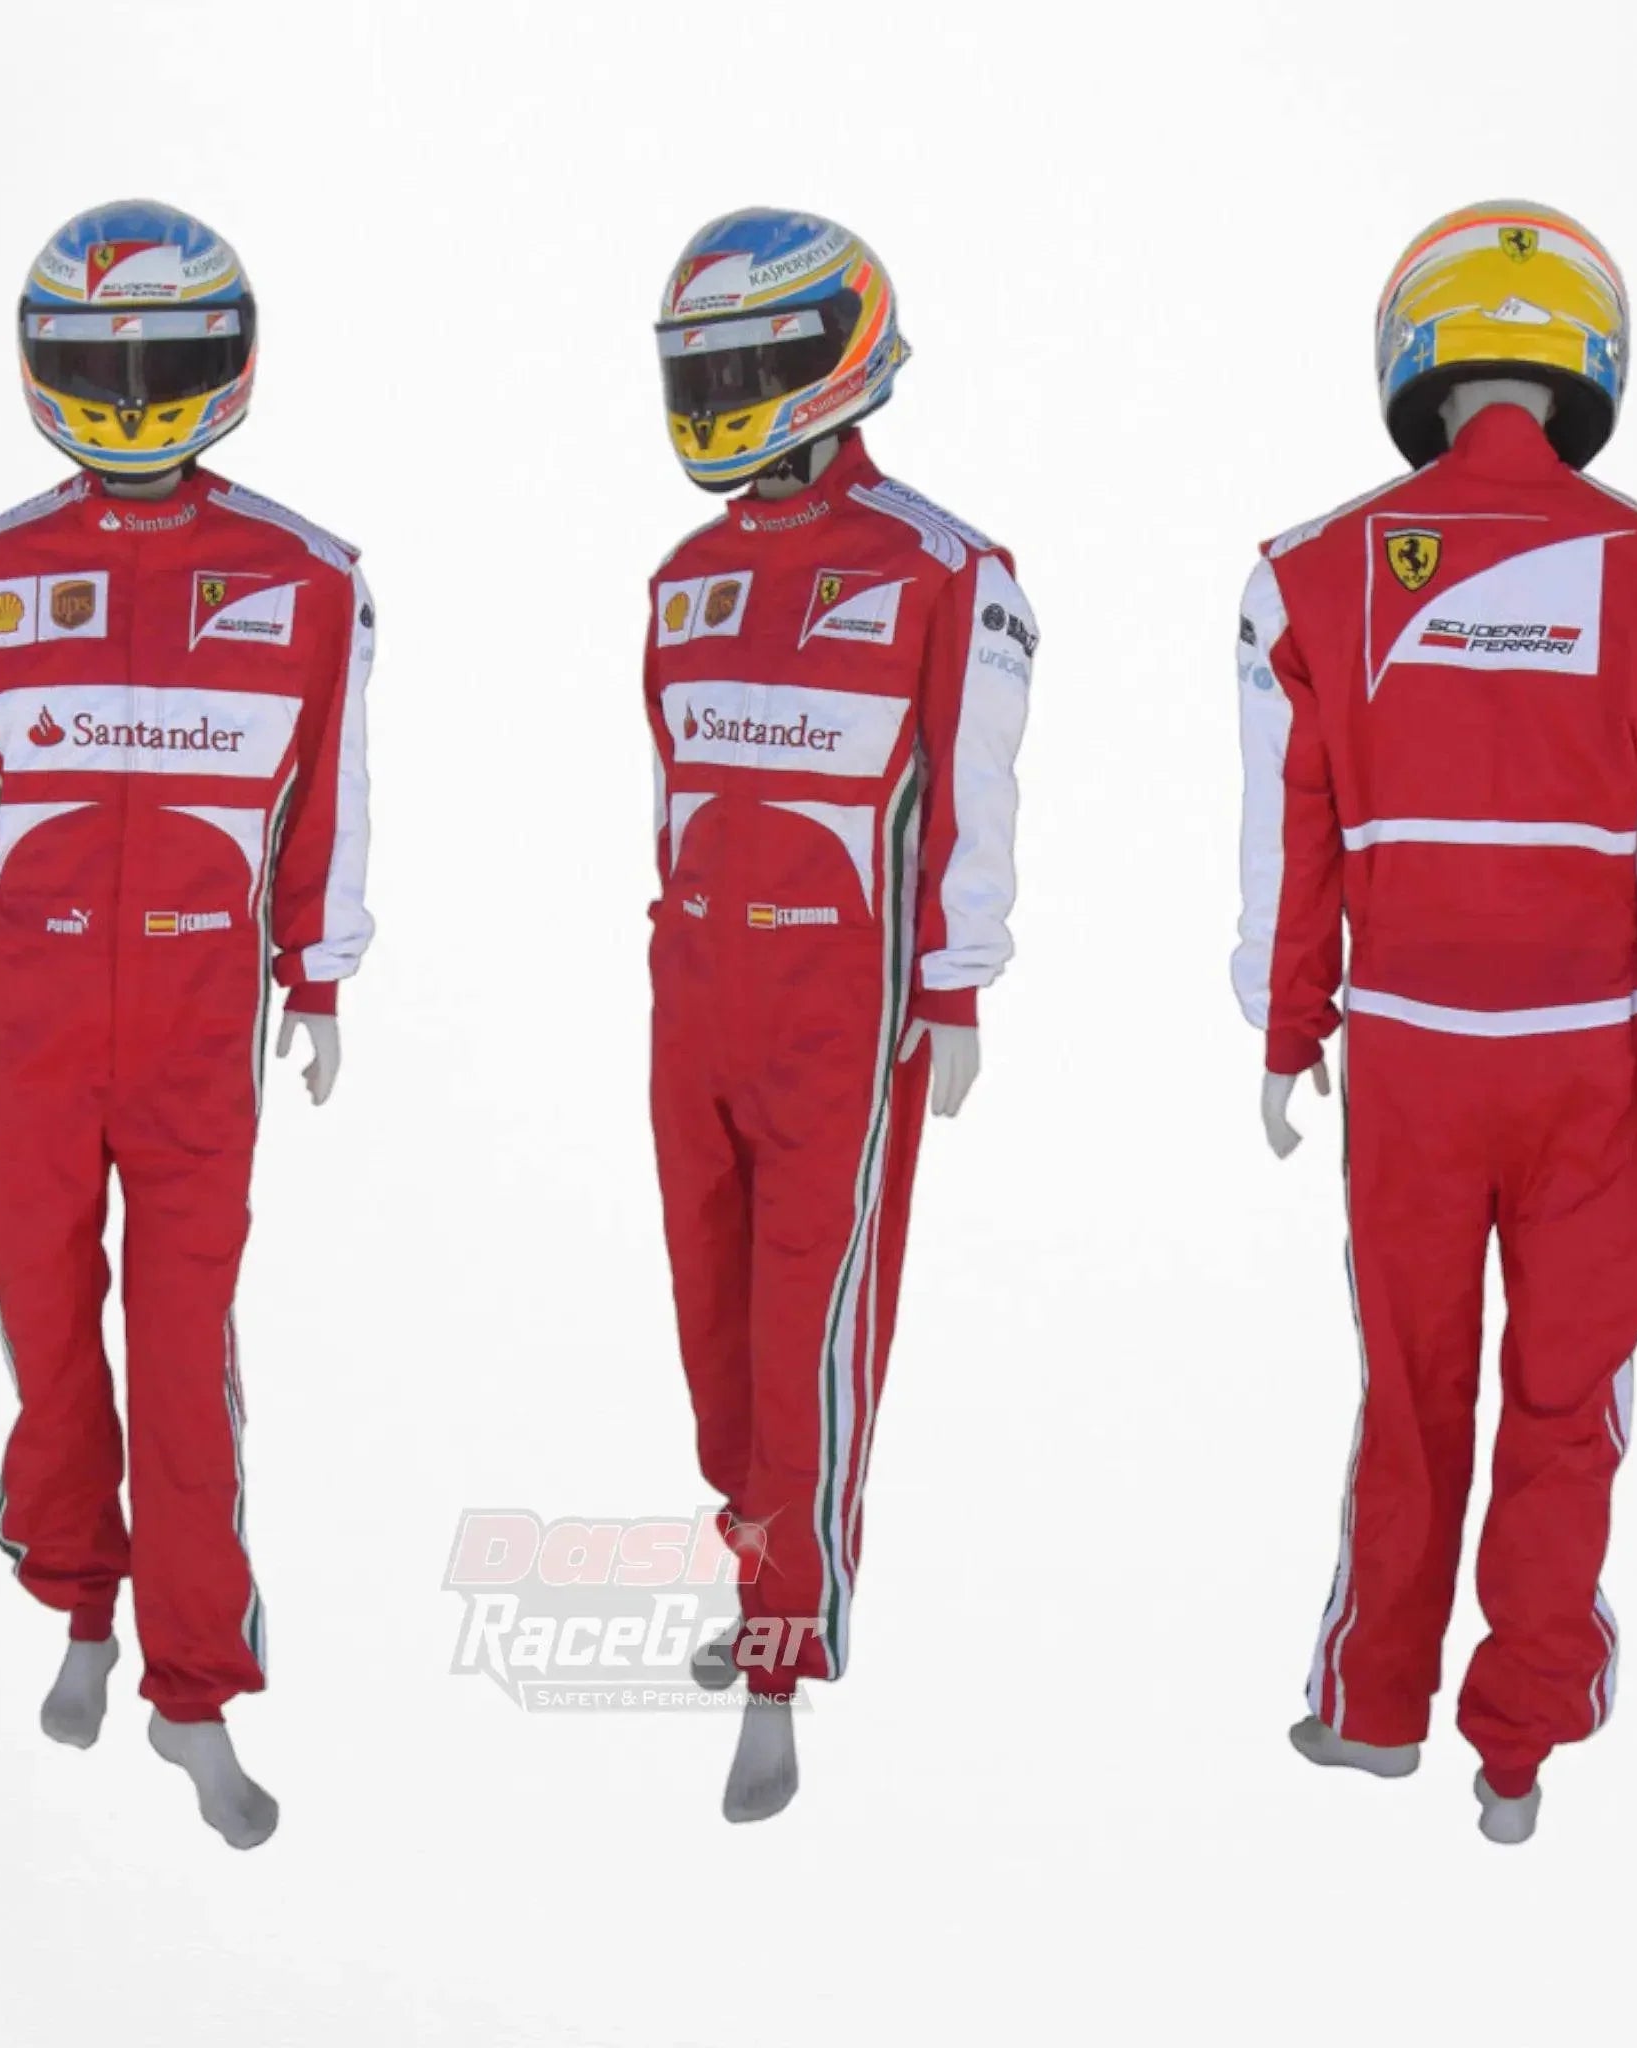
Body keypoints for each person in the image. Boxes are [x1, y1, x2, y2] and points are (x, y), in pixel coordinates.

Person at [1232, 200, 1637, 1845]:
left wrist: (1285, 1029)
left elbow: (1286, 837)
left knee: (1408, 1386)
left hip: (1405, 1058)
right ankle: (1516, 1749)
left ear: (1418, 352)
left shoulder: (1305, 574)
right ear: (1589, 356)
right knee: (1566, 1401)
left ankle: (1372, 1709)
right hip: (1595, 1061)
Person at [0, 200, 375, 1850]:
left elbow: (331, 802)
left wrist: (318, 976)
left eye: (166, 359)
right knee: (47, 1338)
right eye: (97, 363)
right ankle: (80, 1603)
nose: (130, 394)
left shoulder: (308, 578)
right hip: (28, 1022)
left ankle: (194, 1691)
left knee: (183, 1363)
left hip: (197, 1026)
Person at [645, 208, 1036, 1821]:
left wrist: (955, 983)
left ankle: (782, 1662)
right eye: (698, 370)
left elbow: (978, 795)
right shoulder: (681, 577)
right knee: (718, 1348)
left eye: (744, 366)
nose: (719, 398)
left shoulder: (944, 567)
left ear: (830, 359)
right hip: (690, 1007)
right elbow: (674, 803)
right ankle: (756, 1568)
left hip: (843, 1012)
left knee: (812, 1337)